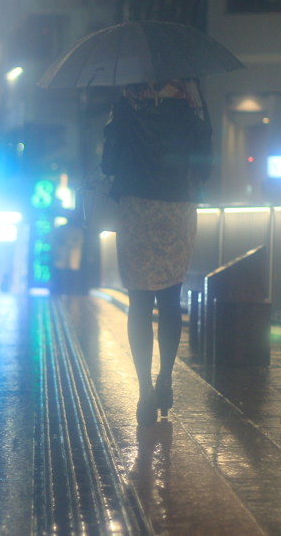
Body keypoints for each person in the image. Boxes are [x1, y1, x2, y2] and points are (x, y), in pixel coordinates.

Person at [101, 78, 212, 426]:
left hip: (137, 209)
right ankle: (165, 378)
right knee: (169, 298)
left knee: (140, 301)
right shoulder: (191, 100)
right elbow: (205, 168)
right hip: (177, 208)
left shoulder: (127, 102)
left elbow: (109, 164)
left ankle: (146, 390)